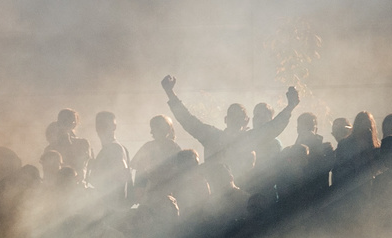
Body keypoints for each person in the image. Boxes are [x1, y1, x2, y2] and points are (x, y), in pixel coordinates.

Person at [160, 74, 299, 186]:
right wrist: (290, 107)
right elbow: (273, 128)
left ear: (227, 120)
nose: (235, 121)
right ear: (246, 121)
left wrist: (170, 93)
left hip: (223, 197)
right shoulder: (246, 139)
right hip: (229, 198)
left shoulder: (213, 136)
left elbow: (188, 120)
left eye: (237, 117)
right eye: (234, 117)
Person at [133, 115, 182, 201]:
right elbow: (138, 168)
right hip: (150, 193)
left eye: (154, 128)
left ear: (165, 129)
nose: (151, 132)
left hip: (168, 194)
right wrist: (139, 188)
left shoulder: (174, 148)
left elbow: (180, 171)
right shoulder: (148, 147)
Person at [87, 111, 131, 203]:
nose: (101, 129)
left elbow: (121, 176)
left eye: (105, 125)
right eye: (99, 126)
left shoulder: (115, 148)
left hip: (110, 206)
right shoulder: (111, 149)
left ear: (114, 126)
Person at [334, 111, 379, 188]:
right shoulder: (344, 145)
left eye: (368, 126)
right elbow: (339, 170)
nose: (365, 130)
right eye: (362, 126)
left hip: (371, 188)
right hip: (351, 189)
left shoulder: (376, 146)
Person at [53, 109, 92, 180]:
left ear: (74, 124)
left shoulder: (82, 143)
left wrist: (68, 143)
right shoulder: (52, 146)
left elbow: (80, 165)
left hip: (76, 183)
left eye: (68, 121)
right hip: (57, 185)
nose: (65, 125)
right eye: (63, 121)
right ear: (58, 123)